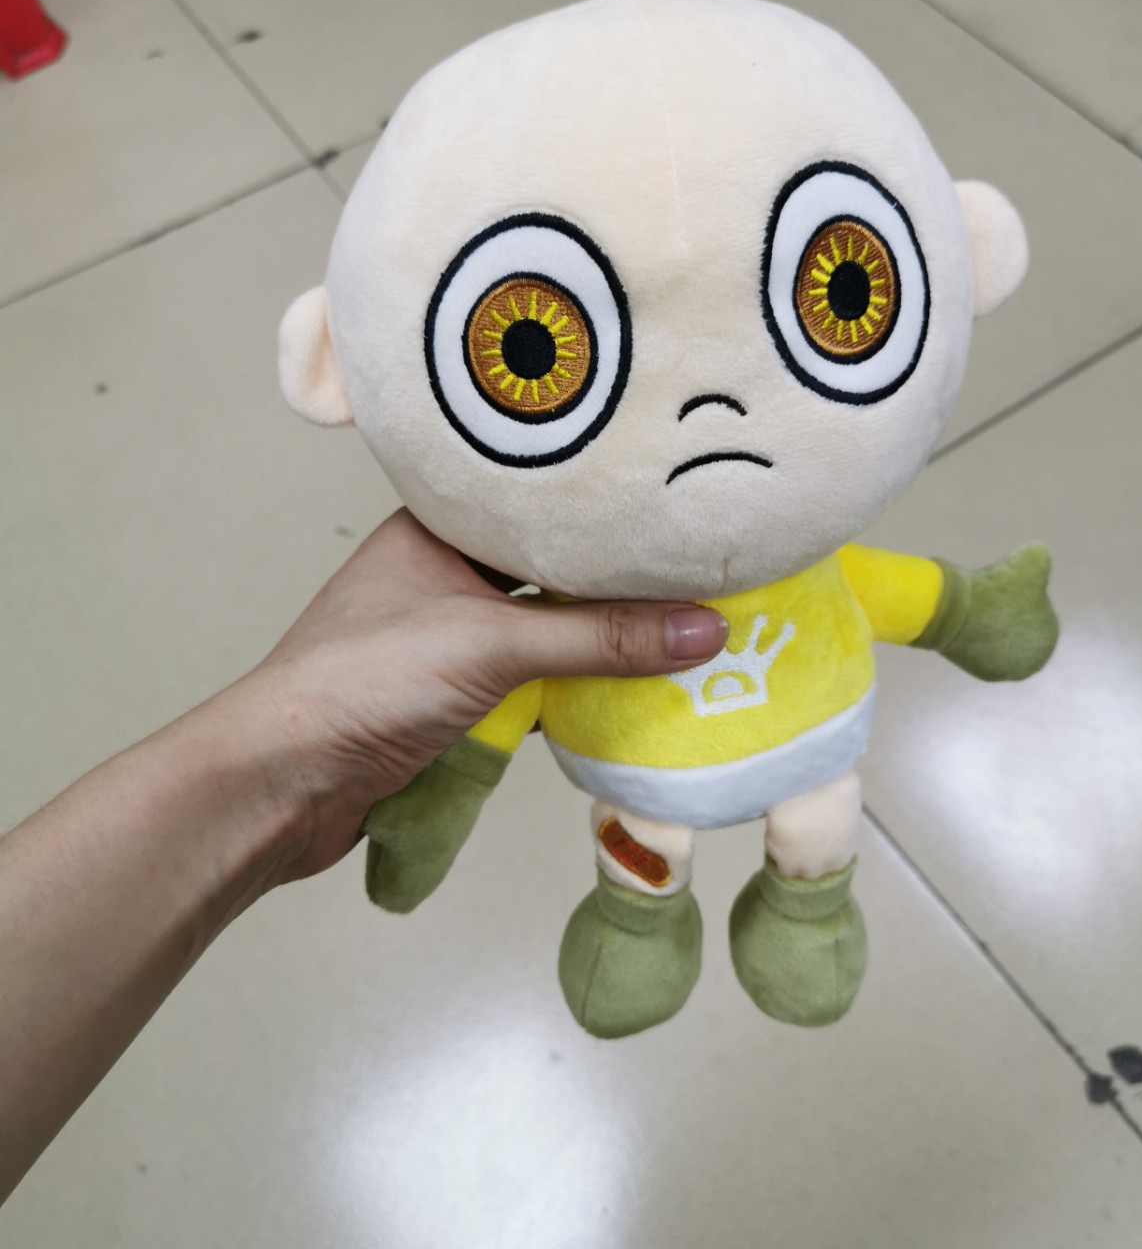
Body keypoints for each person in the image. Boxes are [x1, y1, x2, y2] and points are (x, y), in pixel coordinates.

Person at [0, 509, 728, 1203]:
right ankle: (652, 918)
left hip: (765, 756)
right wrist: (295, 775)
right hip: (644, 775)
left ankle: (786, 901)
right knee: (625, 822)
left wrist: (287, 784)